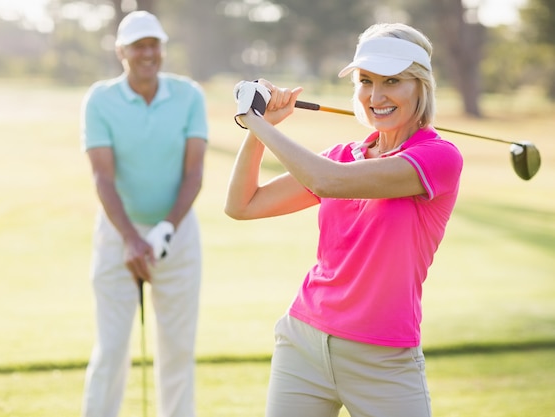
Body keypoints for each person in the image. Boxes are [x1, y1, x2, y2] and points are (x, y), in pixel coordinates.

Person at [226, 23, 463, 417]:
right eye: (365, 81)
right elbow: (243, 205)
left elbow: (326, 181)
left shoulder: (438, 157)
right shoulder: (342, 156)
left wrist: (257, 122)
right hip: (304, 340)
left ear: (421, 86)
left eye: (393, 81)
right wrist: (257, 129)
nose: (376, 96)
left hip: (383, 358)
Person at [80, 10, 208, 417]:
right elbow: (103, 178)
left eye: (154, 44)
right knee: (112, 349)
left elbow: (195, 172)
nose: (147, 53)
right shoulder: (100, 99)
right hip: (118, 233)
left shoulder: (189, 95)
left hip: (178, 233)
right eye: (138, 45)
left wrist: (166, 229)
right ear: (122, 51)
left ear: (163, 49)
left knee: (177, 350)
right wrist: (132, 240)